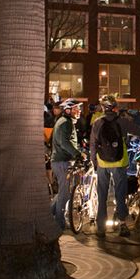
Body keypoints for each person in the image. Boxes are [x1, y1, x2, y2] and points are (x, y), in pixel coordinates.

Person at [89, 95, 140, 237]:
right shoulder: (122, 122)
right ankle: (122, 225)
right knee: (120, 194)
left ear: (103, 108)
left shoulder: (97, 123)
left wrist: (94, 163)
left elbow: (93, 145)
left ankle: (101, 227)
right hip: (119, 162)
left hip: (102, 163)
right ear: (115, 107)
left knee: (102, 195)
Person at [51, 99, 85, 231]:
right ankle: (59, 223)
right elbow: (64, 142)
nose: (79, 111)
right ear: (68, 110)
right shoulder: (65, 122)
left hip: (62, 161)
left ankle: (49, 214)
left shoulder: (67, 122)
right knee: (64, 194)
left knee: (63, 191)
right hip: (62, 162)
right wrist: (77, 154)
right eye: (76, 108)